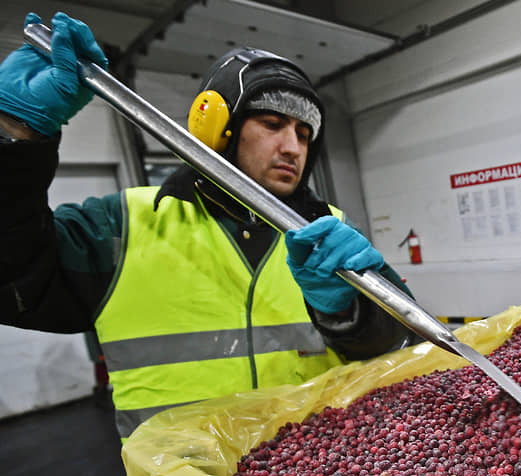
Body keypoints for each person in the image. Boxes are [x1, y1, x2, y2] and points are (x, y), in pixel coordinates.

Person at [0, 12, 419, 441]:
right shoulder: (120, 227)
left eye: (304, 134)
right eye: (273, 124)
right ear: (218, 129)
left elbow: (400, 350)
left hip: (315, 474)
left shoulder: (330, 233)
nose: (293, 147)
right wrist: (12, 138)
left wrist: (346, 314)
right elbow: (13, 279)